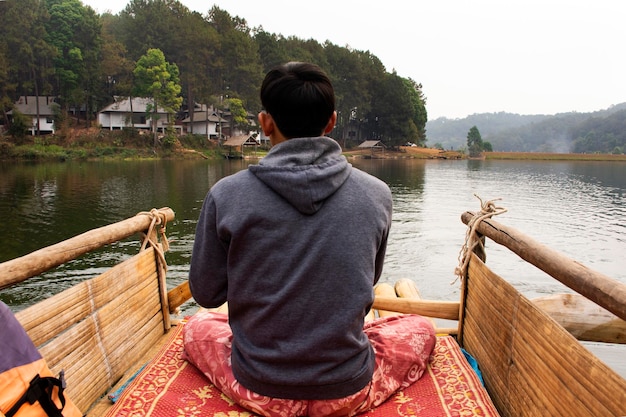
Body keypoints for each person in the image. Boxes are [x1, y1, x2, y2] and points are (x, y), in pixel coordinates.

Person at [184, 61, 435, 417]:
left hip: (259, 387)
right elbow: (371, 280)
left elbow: (207, 295)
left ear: (265, 122)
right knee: (421, 328)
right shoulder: (378, 194)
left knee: (197, 327)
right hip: (345, 390)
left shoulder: (226, 195)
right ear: (331, 122)